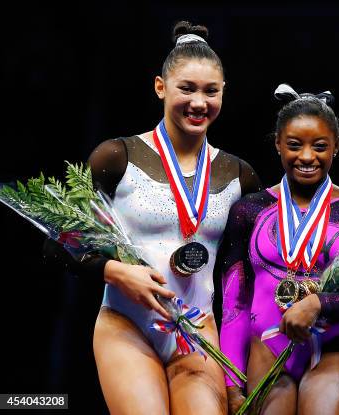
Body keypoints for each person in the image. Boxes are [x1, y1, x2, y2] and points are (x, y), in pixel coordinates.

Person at [44, 21, 261, 414]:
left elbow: (248, 266)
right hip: (127, 326)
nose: (199, 102)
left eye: (211, 91)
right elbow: (58, 241)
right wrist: (116, 271)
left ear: (224, 92)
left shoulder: (239, 175)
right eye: (187, 89)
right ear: (161, 87)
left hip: (198, 330)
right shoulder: (116, 156)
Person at [219, 84, 339, 415]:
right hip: (266, 348)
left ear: (336, 147)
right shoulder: (250, 209)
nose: (306, 157)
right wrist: (231, 384)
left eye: (319, 146)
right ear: (277, 144)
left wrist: (320, 303)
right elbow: (235, 301)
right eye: (294, 145)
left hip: (328, 351)